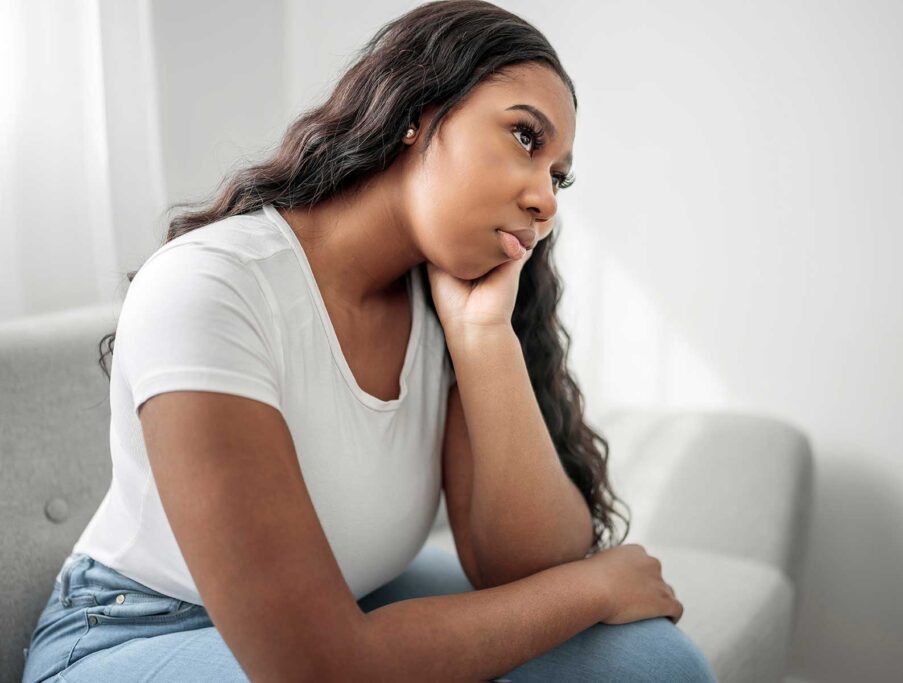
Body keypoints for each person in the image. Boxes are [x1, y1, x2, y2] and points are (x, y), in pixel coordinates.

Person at [21, 1, 717, 680]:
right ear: (418, 113)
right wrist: (596, 588)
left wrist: (482, 338)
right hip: (133, 633)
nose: (546, 199)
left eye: (558, 177)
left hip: (344, 605)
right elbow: (322, 668)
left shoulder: (438, 296)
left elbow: (527, 566)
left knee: (658, 662)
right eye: (526, 138)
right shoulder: (211, 288)